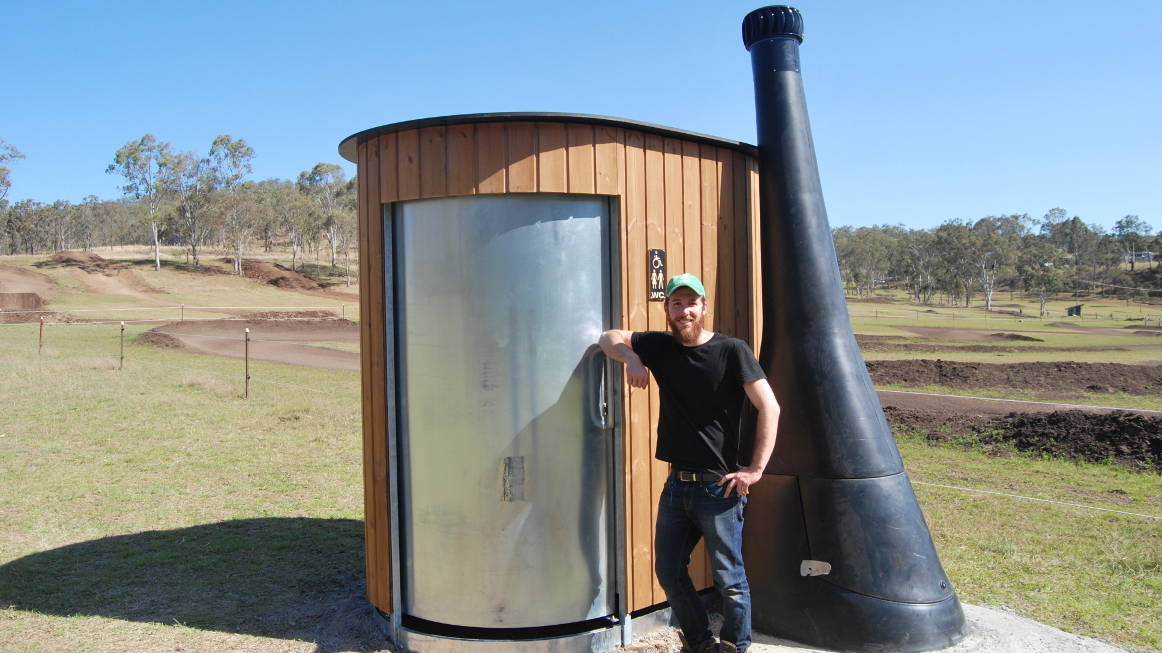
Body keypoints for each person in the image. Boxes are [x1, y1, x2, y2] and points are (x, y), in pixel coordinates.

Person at [599, 273, 780, 653]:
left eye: (691, 303)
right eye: (676, 304)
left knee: (729, 579)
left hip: (720, 487)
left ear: (704, 307)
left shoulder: (732, 351)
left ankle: (735, 646)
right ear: (666, 309)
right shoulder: (660, 347)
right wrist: (631, 357)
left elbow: (770, 407)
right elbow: (608, 337)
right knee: (668, 570)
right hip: (676, 485)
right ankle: (700, 644)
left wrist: (755, 469)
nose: (684, 311)